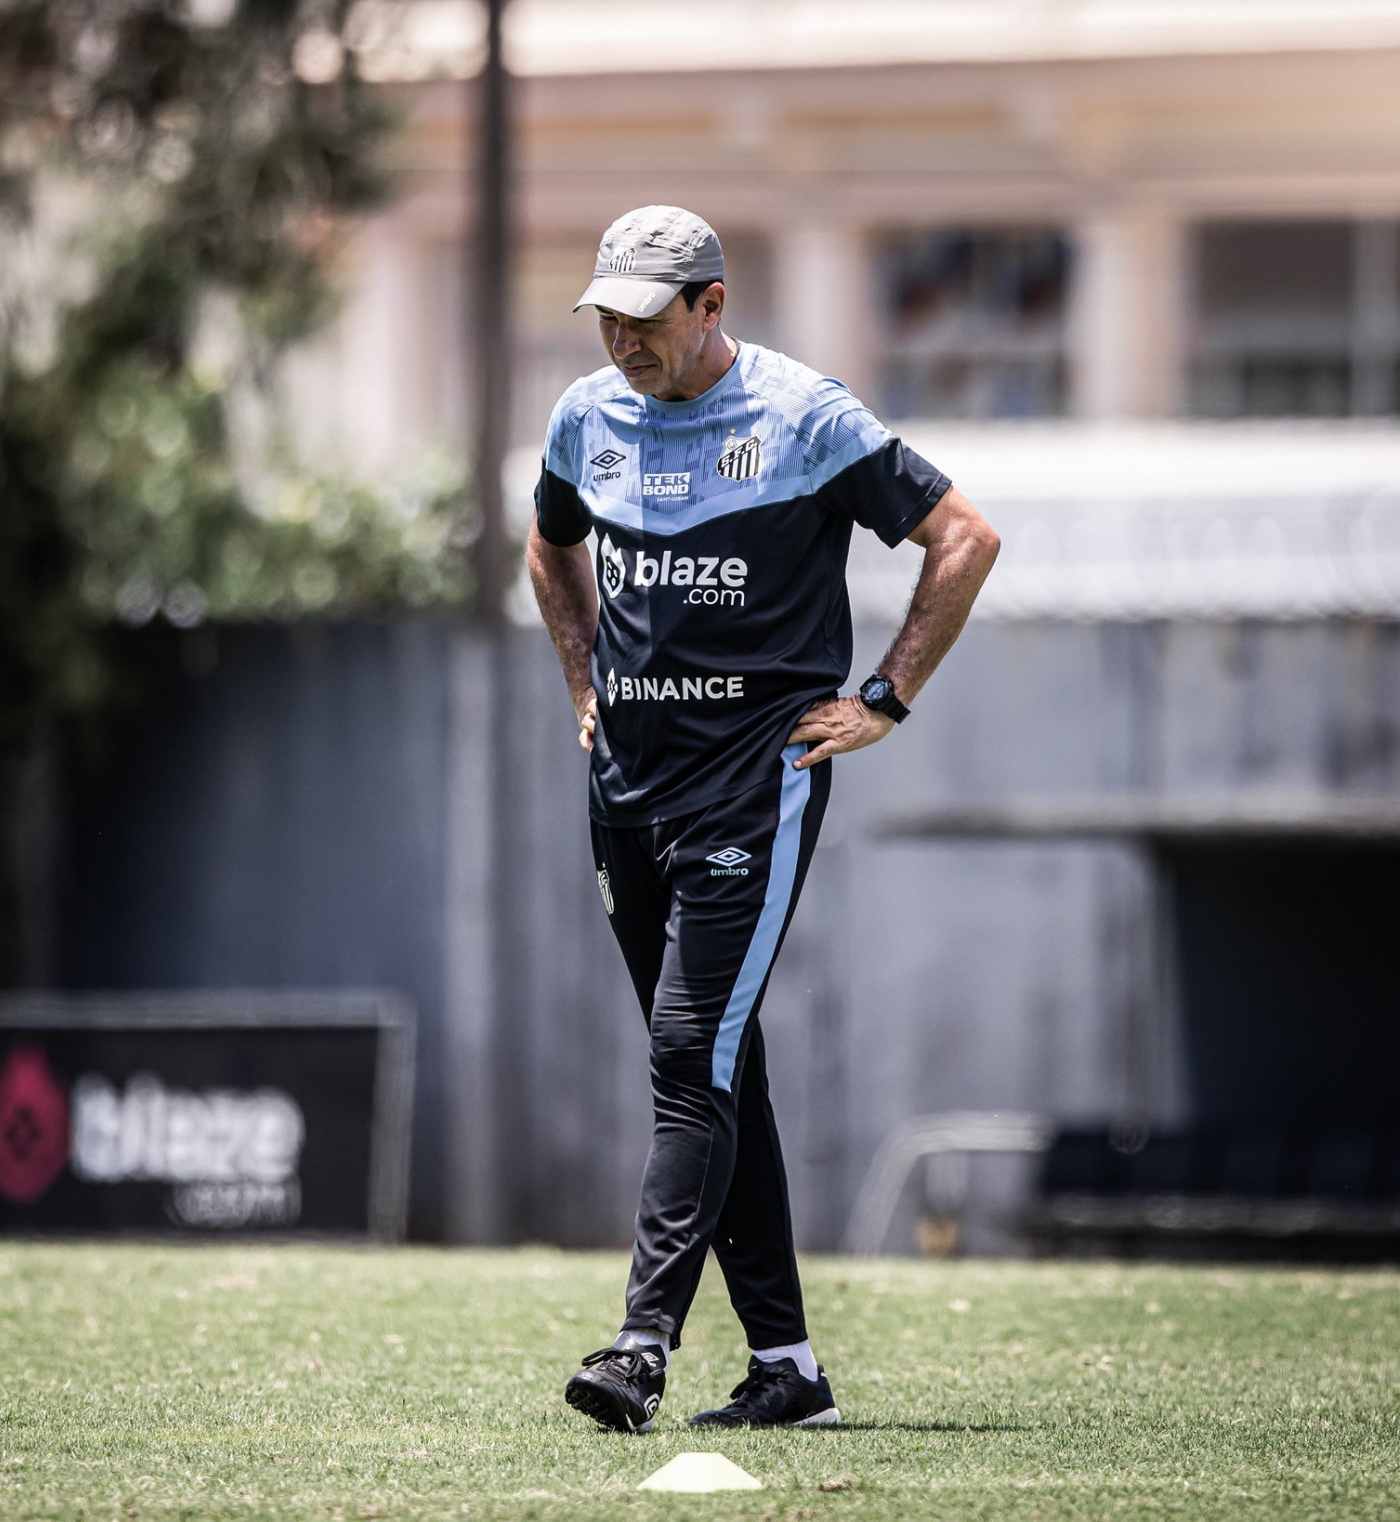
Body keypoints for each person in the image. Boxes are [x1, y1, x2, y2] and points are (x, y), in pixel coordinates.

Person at [528, 205, 1000, 1433]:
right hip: (622, 791)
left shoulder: (806, 416)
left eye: (645, 316)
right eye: (606, 317)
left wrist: (885, 697)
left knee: (689, 1056)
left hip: (753, 782)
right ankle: (787, 1370)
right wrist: (582, 679)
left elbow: (963, 536)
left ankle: (639, 1347)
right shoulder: (585, 417)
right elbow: (548, 542)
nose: (621, 339)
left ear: (710, 305)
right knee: (719, 1069)